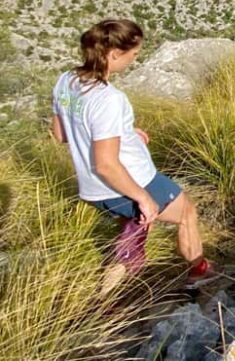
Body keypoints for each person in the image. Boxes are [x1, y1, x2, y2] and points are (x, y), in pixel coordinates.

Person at [50, 19, 220, 290]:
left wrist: (123, 133)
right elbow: (106, 164)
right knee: (186, 211)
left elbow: (60, 133)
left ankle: (109, 298)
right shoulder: (108, 99)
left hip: (93, 189)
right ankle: (200, 271)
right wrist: (144, 198)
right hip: (131, 181)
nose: (135, 59)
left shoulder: (66, 81)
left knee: (134, 231)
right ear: (115, 54)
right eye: (134, 53)